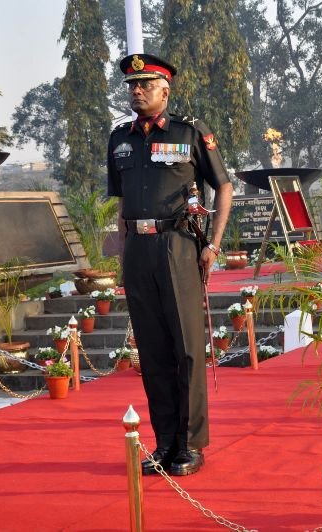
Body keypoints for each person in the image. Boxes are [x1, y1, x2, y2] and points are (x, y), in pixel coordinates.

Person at [108, 53, 233, 476]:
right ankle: (164, 444)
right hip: (139, 251)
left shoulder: (190, 132)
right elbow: (123, 202)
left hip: (178, 245)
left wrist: (212, 245)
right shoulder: (119, 139)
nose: (136, 90)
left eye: (144, 84)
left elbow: (224, 188)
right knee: (153, 352)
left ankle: (192, 444)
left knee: (187, 350)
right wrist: (122, 257)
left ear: (165, 89)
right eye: (131, 85)